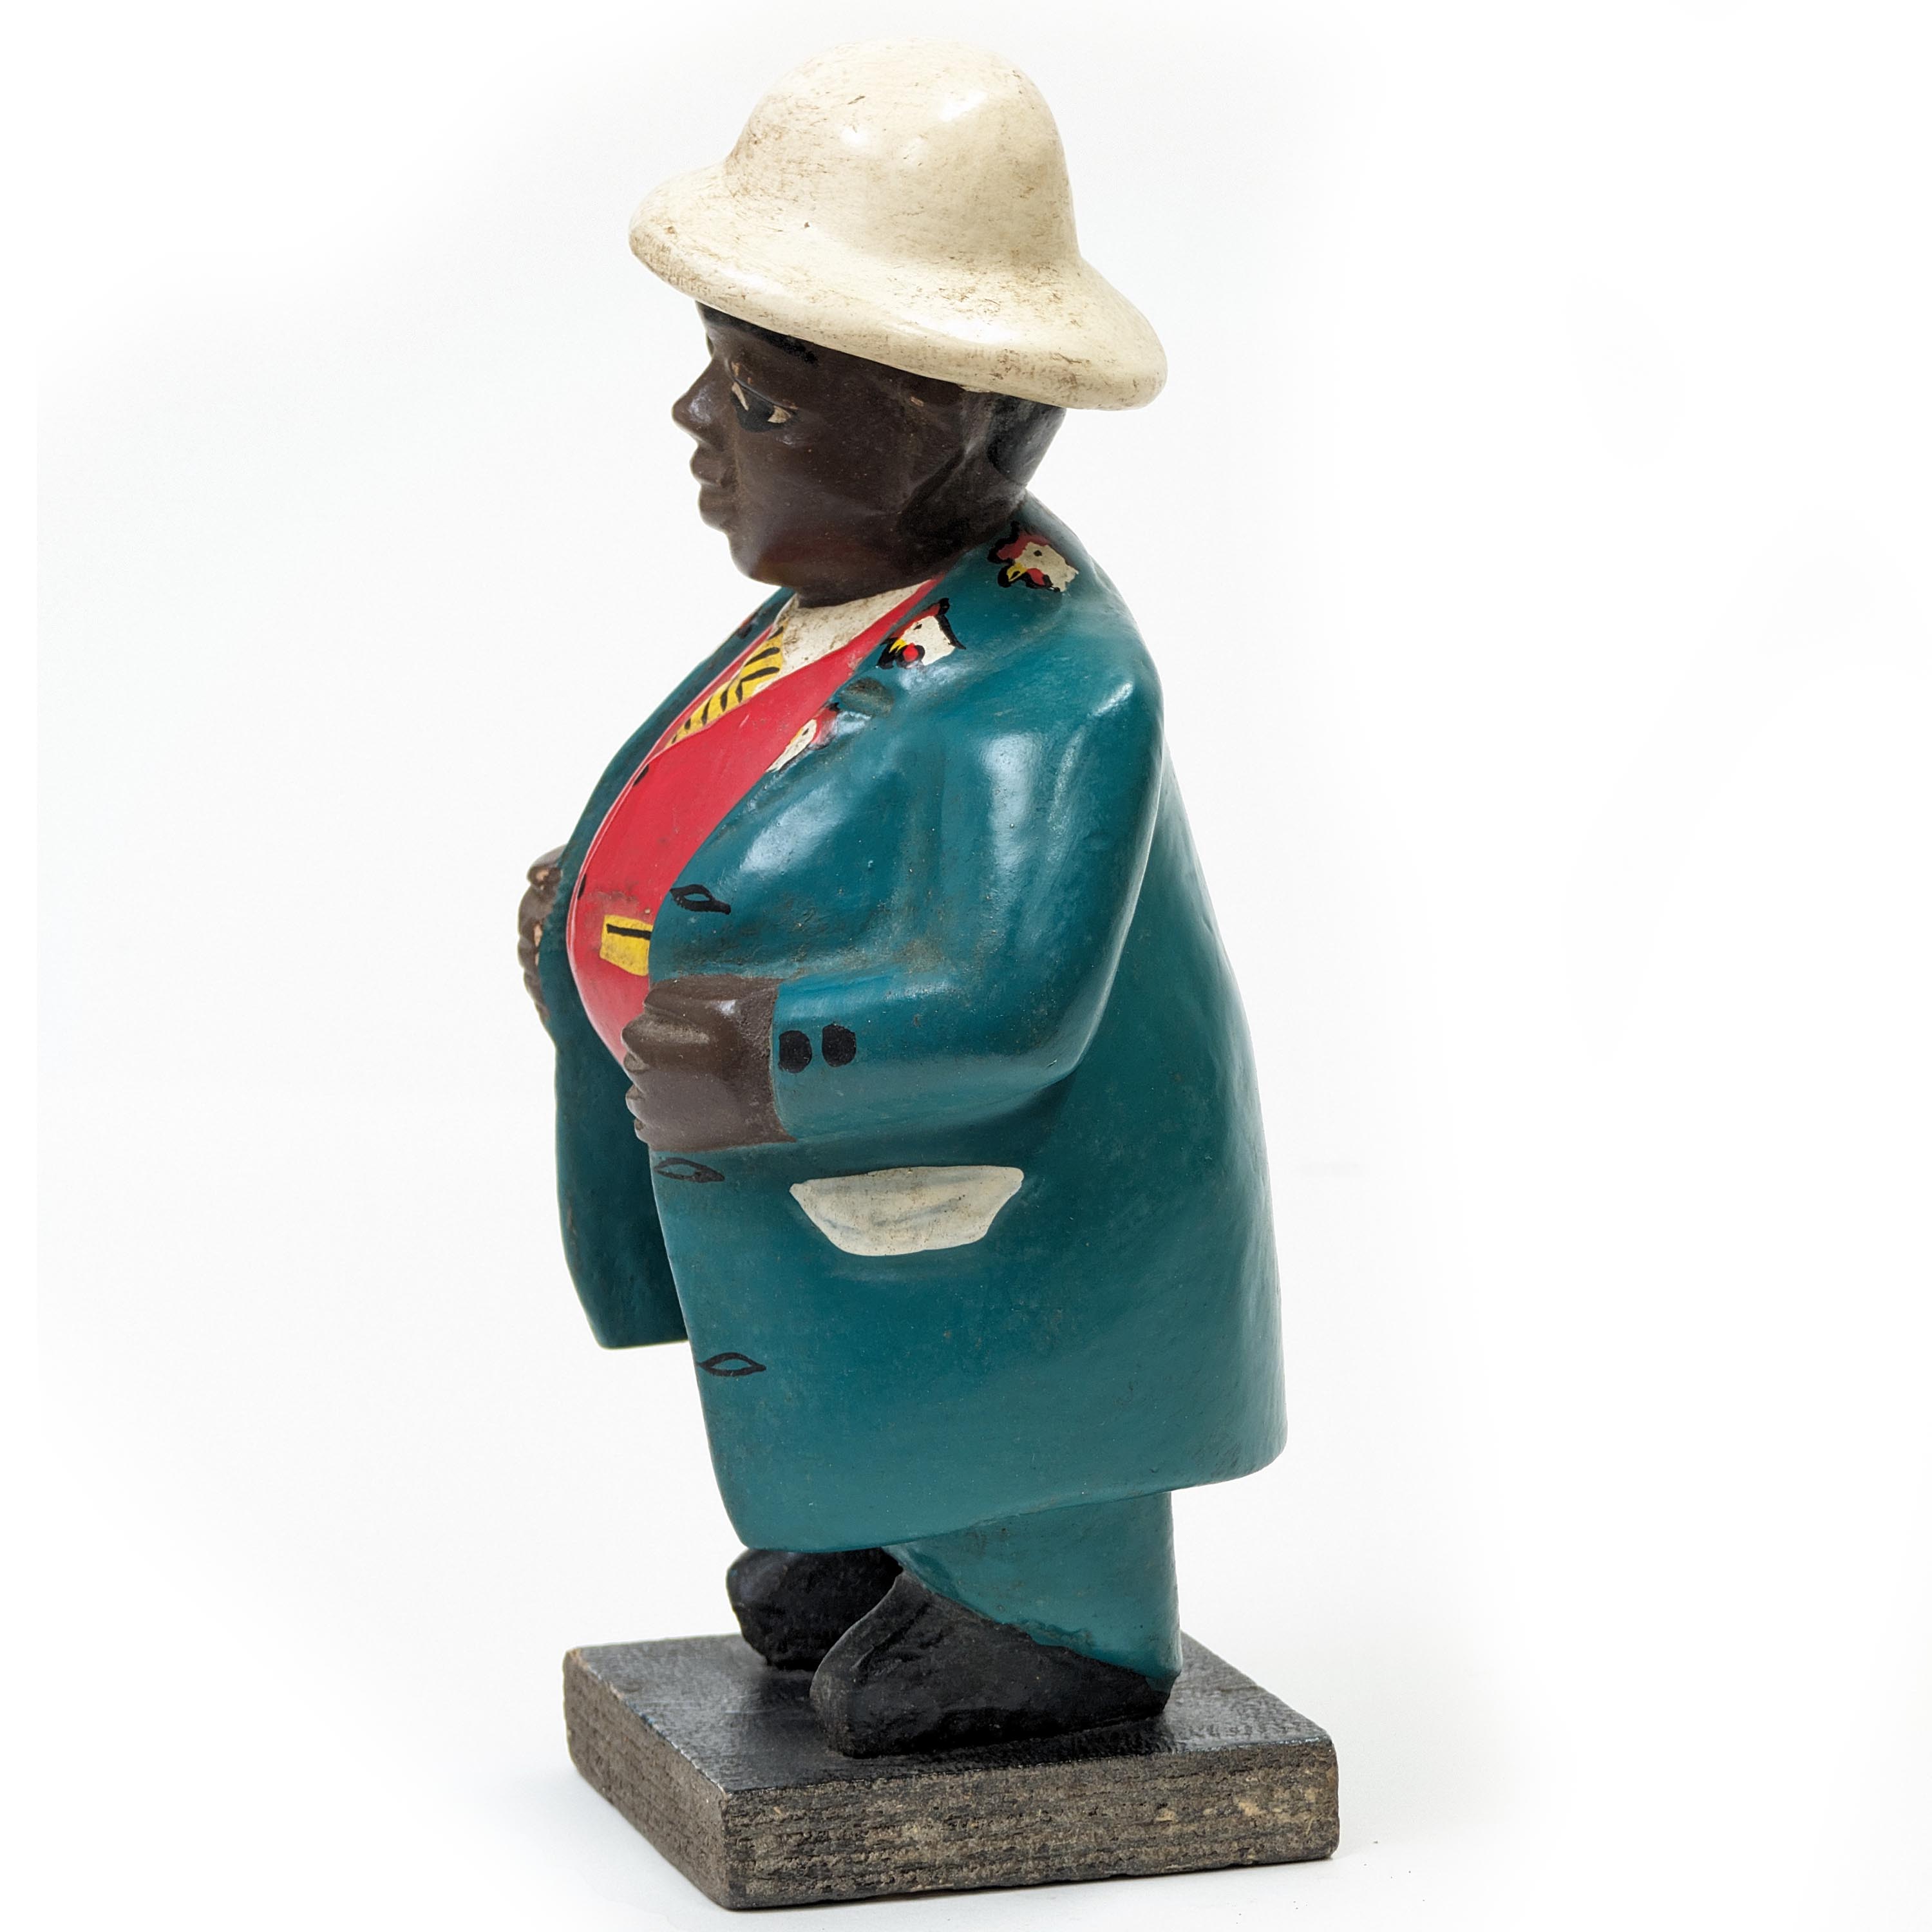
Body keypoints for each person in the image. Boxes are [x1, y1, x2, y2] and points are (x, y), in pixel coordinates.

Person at [519, 41, 1285, 1757]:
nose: (697, 421)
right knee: (882, 1360)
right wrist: (594, 924)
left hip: (1025, 1193)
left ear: (925, 424)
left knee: (1009, 1393)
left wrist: (767, 1054)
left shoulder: (1054, 686)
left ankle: (1058, 1620)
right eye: (716, 374)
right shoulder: (862, 596)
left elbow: (1011, 1000)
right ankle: (888, 1530)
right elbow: (757, 793)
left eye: (759, 398)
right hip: (821, 1201)